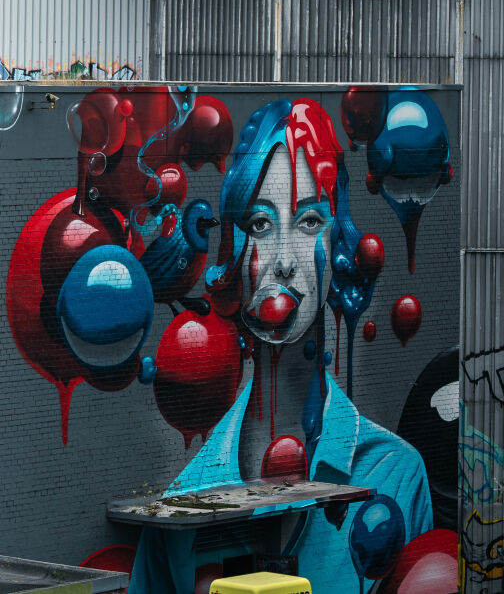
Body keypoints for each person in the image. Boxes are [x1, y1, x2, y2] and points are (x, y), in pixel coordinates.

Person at [128, 97, 431, 594]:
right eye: (261, 225)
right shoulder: (188, 498)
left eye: (310, 221)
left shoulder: (394, 473)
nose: (285, 262)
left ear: (337, 247)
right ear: (234, 250)